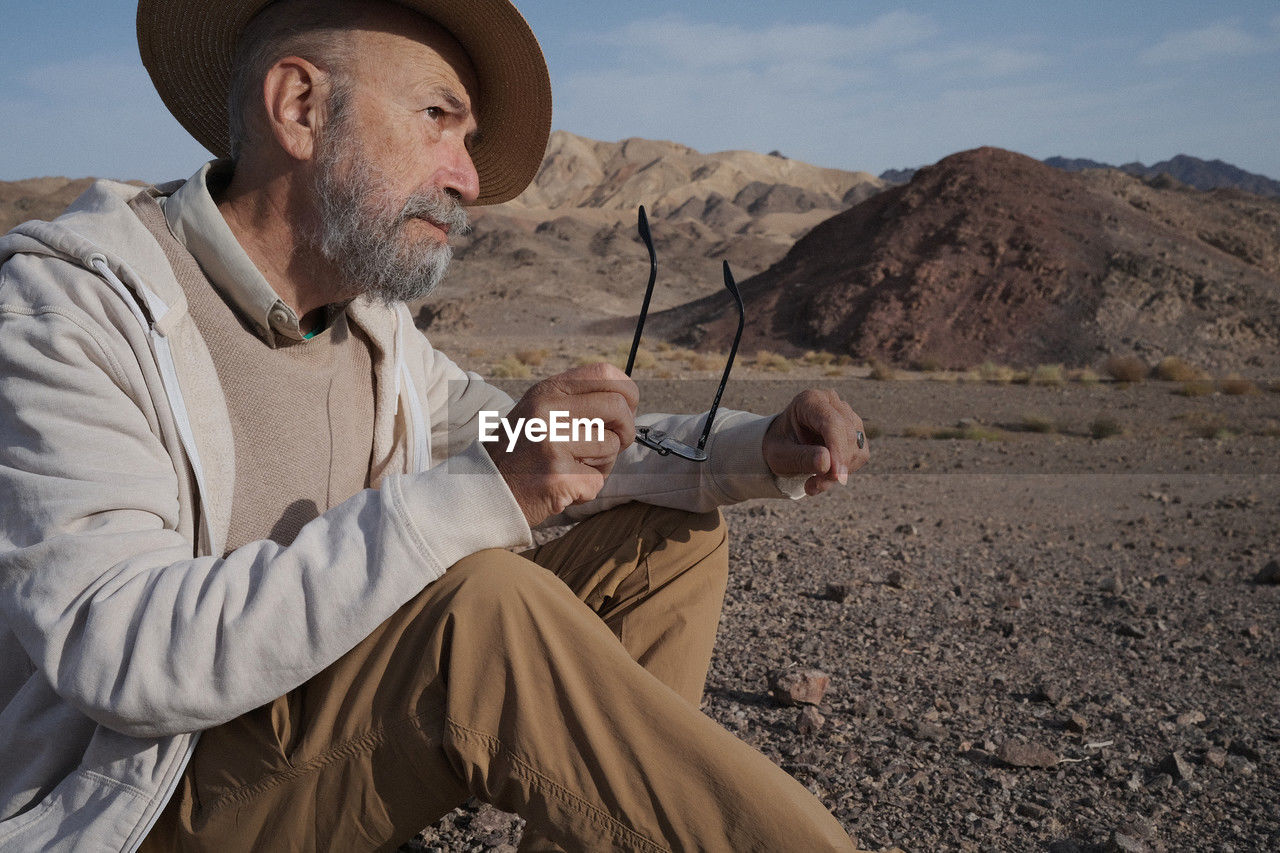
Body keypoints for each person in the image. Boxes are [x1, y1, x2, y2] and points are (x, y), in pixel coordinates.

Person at [0, 0, 871, 849]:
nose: (468, 179)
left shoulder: (368, 331)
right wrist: (473, 497)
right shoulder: (73, 313)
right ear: (299, 107)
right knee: (483, 609)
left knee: (666, 540)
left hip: (293, 741)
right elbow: (118, 652)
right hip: (129, 803)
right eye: (438, 119)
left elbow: (522, 447)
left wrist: (750, 447)